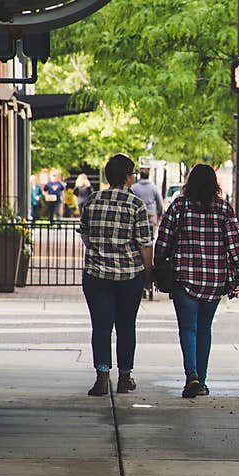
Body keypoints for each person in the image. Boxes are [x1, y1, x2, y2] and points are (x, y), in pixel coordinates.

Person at [155, 164, 239, 398]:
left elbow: (164, 240)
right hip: (215, 280)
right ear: (214, 184)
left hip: (184, 277)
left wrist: (158, 265)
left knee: (188, 328)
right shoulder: (224, 209)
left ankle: (192, 376)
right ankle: (202, 380)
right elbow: (235, 246)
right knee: (204, 329)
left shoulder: (179, 205)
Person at [78, 153, 153, 397]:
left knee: (100, 326)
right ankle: (124, 377)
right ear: (127, 177)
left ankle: (101, 376)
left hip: (96, 275)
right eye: (132, 173)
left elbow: (85, 235)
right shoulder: (136, 205)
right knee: (126, 326)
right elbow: (144, 244)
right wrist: (149, 274)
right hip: (129, 277)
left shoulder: (92, 201)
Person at [130, 168, 164, 238]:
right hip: (152, 217)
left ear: (140, 176)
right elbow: (159, 203)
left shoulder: (134, 188)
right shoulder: (154, 188)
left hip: (138, 218)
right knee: (151, 238)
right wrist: (159, 214)